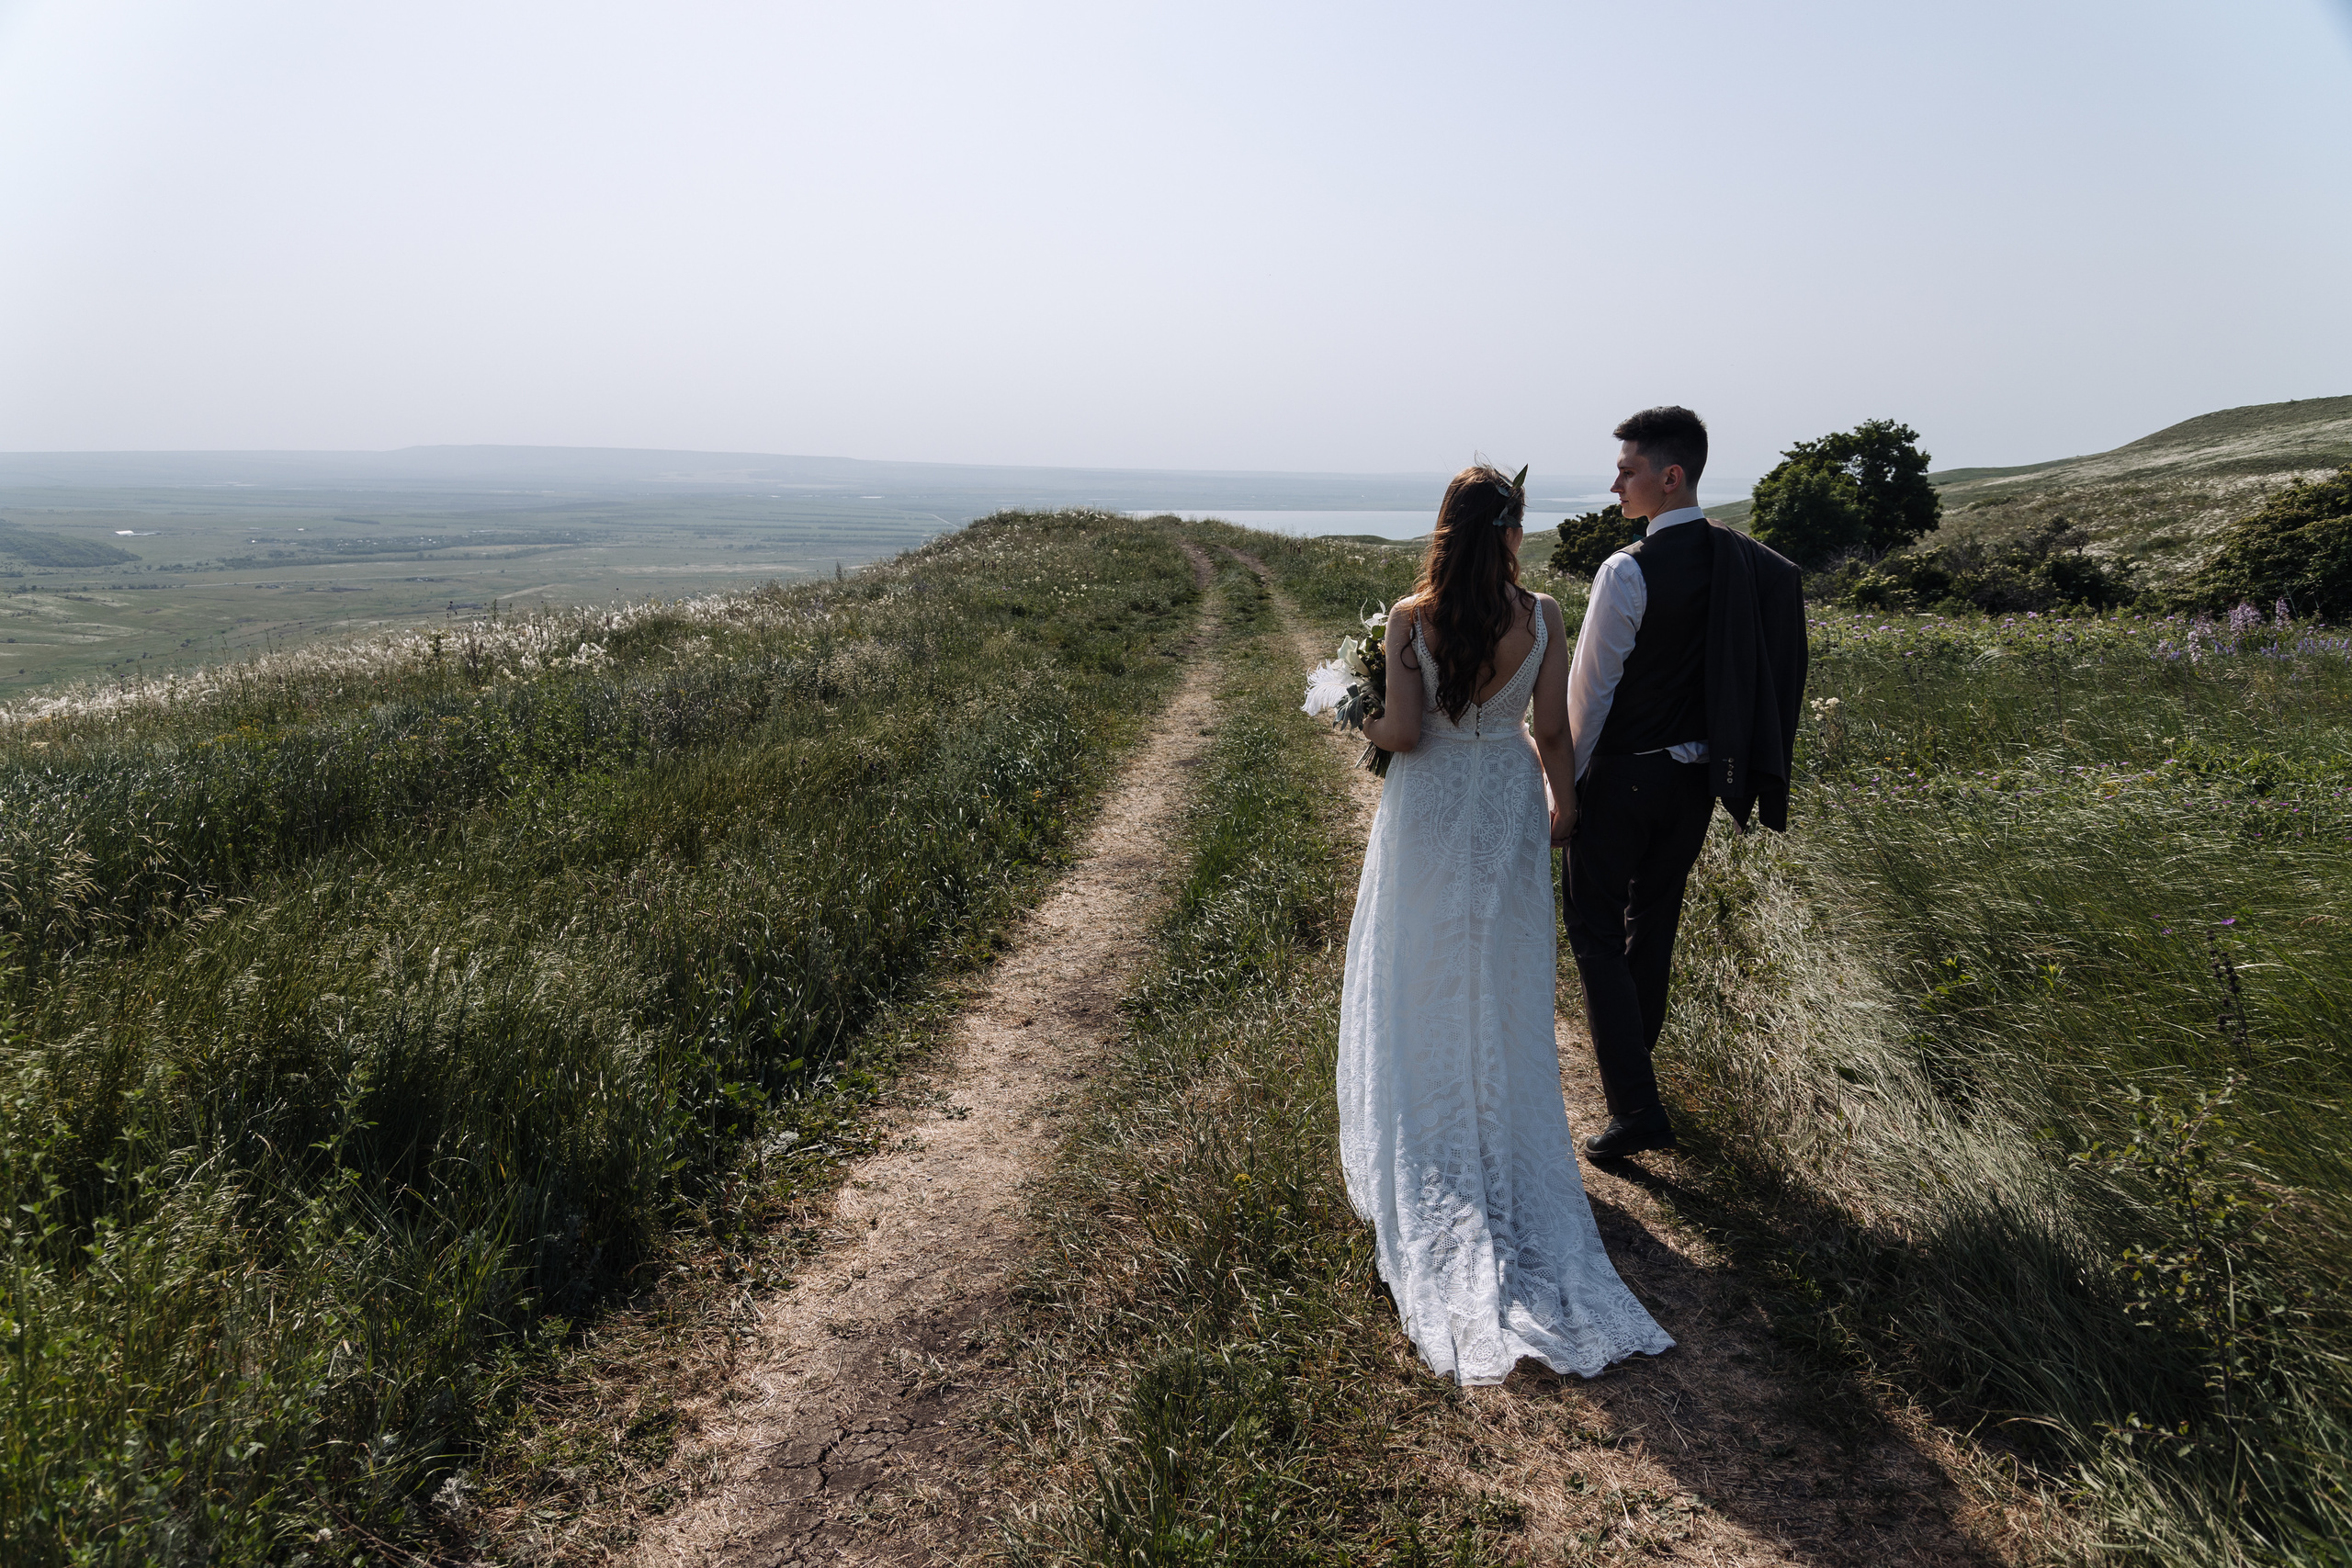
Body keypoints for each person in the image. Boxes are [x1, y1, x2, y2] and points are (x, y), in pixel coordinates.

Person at [1338, 463, 1675, 1386]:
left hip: (1433, 805)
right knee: (1502, 975)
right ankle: (1502, 1132)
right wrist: (1561, 810)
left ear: (1445, 527)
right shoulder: (1547, 615)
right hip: (1509, 806)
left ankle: (1432, 1138)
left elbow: (1404, 735)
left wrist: (1350, 713)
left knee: (1424, 968)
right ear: (1514, 528)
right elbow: (1556, 732)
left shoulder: (1414, 619)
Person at [1563, 407, 1807, 1161]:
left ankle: (1636, 1106)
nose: (1615, 485)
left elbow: (1590, 691)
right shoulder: (1747, 562)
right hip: (1699, 783)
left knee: (1596, 933)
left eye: (1627, 470)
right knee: (1652, 929)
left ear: (1671, 477)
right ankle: (1636, 1092)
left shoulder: (1627, 569)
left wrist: (1562, 789)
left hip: (1622, 780)